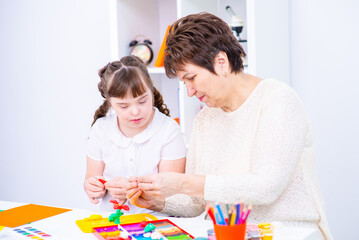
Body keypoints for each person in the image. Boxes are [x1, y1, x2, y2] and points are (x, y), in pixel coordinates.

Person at [125, 13, 333, 239]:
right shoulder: (205, 119)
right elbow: (197, 202)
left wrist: (183, 182)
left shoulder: (277, 100)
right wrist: (158, 201)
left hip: (289, 232)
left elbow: (266, 187)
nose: (190, 91)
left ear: (221, 63)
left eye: (192, 78)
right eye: (184, 83)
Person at [84, 55, 186, 214]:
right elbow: (92, 176)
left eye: (142, 101)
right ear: (110, 102)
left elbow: (172, 192)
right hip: (111, 222)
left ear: (151, 91)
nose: (135, 111)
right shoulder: (101, 129)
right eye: (123, 106)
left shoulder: (168, 130)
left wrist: (134, 190)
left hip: (156, 223)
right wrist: (92, 186)